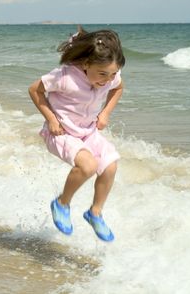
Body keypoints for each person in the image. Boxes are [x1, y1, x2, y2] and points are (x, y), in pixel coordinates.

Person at [28, 26, 125, 242]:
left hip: (88, 132)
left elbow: (118, 88)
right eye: (102, 74)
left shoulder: (110, 76)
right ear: (86, 63)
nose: (107, 80)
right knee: (88, 166)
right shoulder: (64, 77)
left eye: (112, 74)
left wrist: (105, 113)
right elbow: (35, 90)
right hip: (61, 133)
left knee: (110, 165)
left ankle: (95, 213)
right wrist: (51, 119)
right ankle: (62, 203)